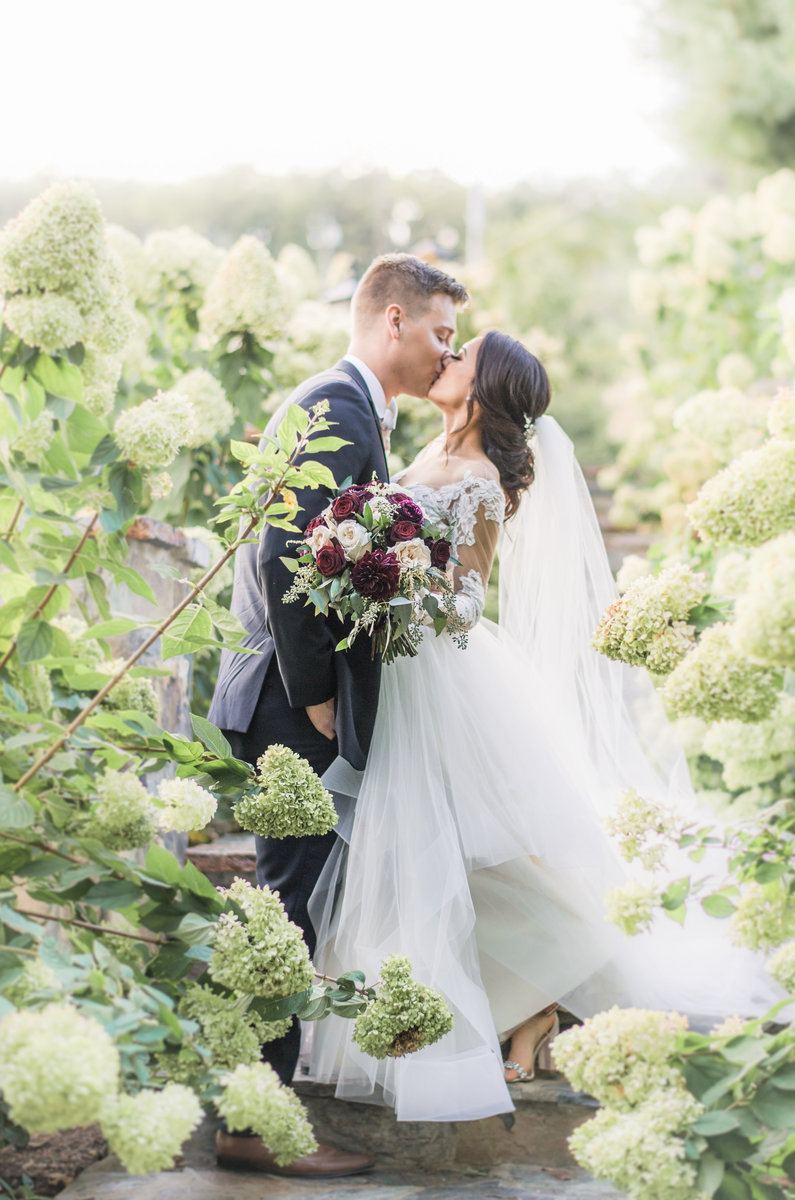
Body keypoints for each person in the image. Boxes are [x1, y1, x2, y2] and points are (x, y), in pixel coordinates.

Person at [305, 330, 782, 1123]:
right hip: (399, 676)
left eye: (463, 357)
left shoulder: (485, 482)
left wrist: (398, 578)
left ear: (484, 388)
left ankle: (543, 985)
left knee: (468, 850)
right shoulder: (418, 449)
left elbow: (466, 602)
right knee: (437, 850)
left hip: (442, 675)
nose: (446, 362)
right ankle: (525, 1003)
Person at [208, 253, 469, 1174]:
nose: (449, 350)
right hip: (291, 701)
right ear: (391, 319)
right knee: (283, 914)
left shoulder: (357, 409)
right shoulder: (338, 405)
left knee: (289, 912)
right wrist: (317, 690)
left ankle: (255, 1115)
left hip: (294, 698)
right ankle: (253, 1125)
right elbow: (287, 553)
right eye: (441, 331)